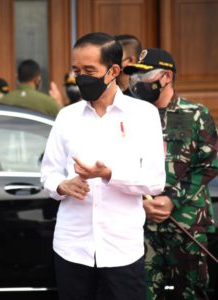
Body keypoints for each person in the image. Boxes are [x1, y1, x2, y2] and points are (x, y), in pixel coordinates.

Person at [40, 32, 166, 300]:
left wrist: (109, 175)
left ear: (113, 71)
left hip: (122, 250)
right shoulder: (67, 117)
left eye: (89, 70)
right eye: (76, 70)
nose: (81, 77)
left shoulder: (143, 115)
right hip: (72, 248)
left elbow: (155, 180)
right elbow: (48, 174)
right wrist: (62, 185)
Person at [124, 48, 218, 299]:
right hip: (141, 225)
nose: (136, 84)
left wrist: (170, 200)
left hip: (187, 223)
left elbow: (208, 165)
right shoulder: (129, 117)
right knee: (141, 292)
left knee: (192, 292)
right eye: (134, 78)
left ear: (165, 77)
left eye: (144, 77)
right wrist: (143, 202)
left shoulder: (196, 115)